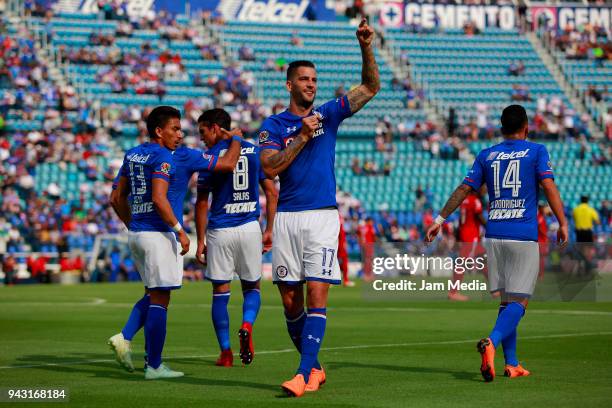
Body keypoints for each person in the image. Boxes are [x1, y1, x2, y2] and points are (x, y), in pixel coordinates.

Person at [258, 18, 379, 397]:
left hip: (322, 216)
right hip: (287, 219)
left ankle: (301, 372)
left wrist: (365, 46)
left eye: (314, 79)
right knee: (290, 302)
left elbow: (371, 87)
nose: (311, 84)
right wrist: (303, 136)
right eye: (304, 79)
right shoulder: (274, 125)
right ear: (290, 84)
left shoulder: (330, 113)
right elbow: (270, 167)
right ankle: (315, 366)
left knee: (316, 295)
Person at [426, 104, 568, 382]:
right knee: (521, 302)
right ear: (526, 127)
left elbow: (464, 188)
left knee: (506, 302)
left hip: (493, 235)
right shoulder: (537, 151)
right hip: (523, 234)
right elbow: (549, 186)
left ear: (502, 129)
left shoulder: (487, 154)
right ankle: (491, 341)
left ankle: (512, 363)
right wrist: (562, 222)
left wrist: (440, 219)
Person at [108, 106, 242, 379]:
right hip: (160, 234)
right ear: (159, 131)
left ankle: (127, 338)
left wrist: (133, 225)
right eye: (175, 129)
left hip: (137, 233)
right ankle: (153, 365)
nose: (181, 135)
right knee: (161, 299)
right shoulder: (172, 157)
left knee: (153, 293)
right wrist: (237, 139)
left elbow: (115, 198)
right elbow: (228, 165)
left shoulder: (132, 154)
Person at [194, 108, 278, 367]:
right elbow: (272, 193)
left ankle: (226, 353)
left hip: (221, 230)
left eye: (203, 132)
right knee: (252, 287)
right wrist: (269, 229)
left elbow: (201, 202)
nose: (201, 138)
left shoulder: (209, 157)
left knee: (220, 291)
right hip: (249, 227)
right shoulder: (254, 152)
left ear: (216, 128)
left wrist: (200, 241)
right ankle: (247, 324)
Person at [449, 190, 486, 301]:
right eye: (483, 186)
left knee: (484, 260)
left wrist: (458, 236)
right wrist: (491, 228)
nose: (485, 190)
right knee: (462, 262)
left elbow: (461, 220)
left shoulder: (464, 201)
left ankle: (495, 290)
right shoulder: (475, 201)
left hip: (466, 235)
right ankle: (453, 292)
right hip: (471, 236)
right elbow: (479, 216)